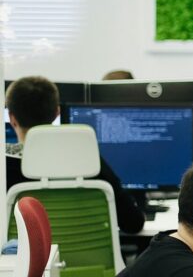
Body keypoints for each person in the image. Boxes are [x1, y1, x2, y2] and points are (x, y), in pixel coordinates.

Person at [5, 76, 145, 234]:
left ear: (11, 118)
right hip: (89, 250)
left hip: (25, 251)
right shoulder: (87, 160)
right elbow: (133, 224)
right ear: (57, 113)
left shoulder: (4, 165)